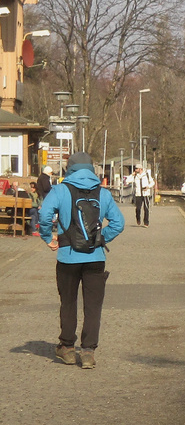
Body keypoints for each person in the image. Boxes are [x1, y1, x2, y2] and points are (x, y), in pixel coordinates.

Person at [38, 152, 126, 369]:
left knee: (68, 302)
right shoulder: (102, 193)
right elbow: (119, 223)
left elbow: (44, 215)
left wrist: (49, 238)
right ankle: (88, 352)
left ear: (70, 168)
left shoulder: (60, 190)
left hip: (67, 257)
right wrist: (101, 239)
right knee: (93, 306)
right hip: (95, 258)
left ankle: (67, 348)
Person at [30, 167, 52, 236]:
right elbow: (46, 187)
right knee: (43, 212)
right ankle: (42, 227)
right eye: (51, 172)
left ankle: (38, 225)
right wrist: (51, 187)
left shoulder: (41, 177)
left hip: (41, 196)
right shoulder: (45, 178)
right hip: (44, 197)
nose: (51, 174)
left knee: (38, 213)